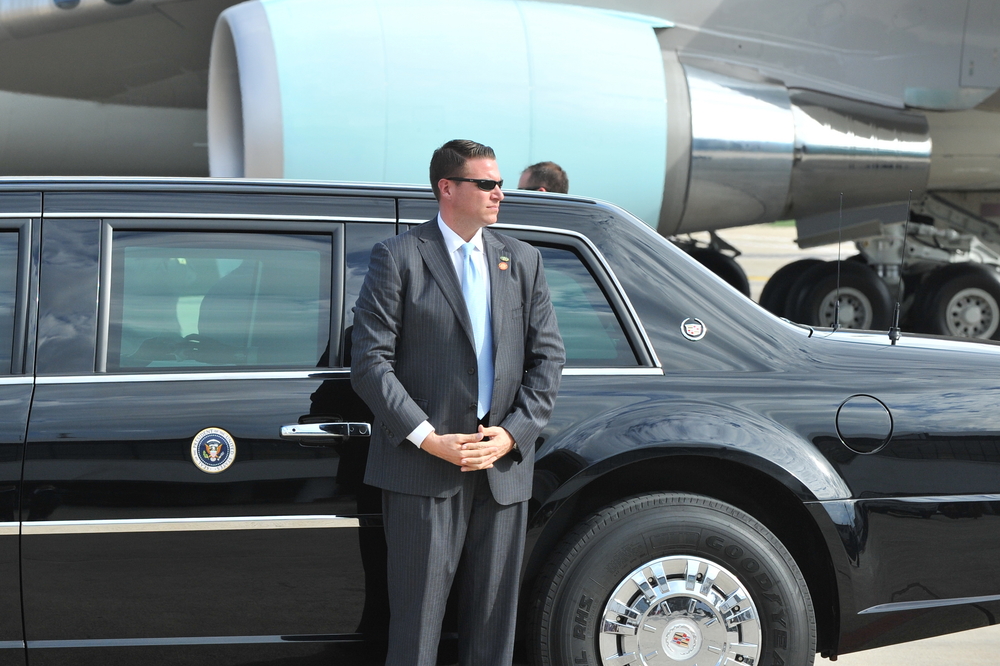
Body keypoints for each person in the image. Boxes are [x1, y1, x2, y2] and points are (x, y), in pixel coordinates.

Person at [350, 139, 565, 666]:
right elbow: (370, 363)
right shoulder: (399, 256)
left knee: (494, 627)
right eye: (487, 184)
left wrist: (513, 433)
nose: (499, 194)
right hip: (422, 468)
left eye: (500, 184)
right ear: (448, 188)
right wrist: (428, 438)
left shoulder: (524, 260)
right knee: (417, 624)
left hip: (501, 469)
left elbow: (548, 359)